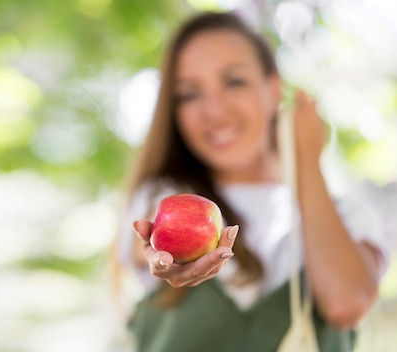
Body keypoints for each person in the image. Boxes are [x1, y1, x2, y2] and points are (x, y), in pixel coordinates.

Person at [114, 11, 388, 352]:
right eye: (188, 93)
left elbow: (345, 304)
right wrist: (175, 255)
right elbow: (154, 241)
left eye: (234, 81)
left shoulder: (351, 214)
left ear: (273, 90)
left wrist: (306, 163)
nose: (213, 110)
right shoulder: (159, 196)